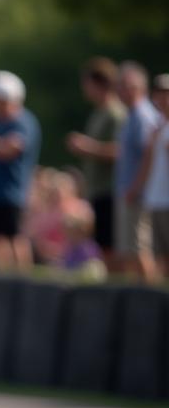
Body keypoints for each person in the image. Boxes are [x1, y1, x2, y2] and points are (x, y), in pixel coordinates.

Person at [0, 70, 41, 271]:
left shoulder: (23, 122)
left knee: (15, 238)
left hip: (13, 191)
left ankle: (22, 279)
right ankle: (5, 277)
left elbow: (10, 149)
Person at [66, 57, 125, 264]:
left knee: (110, 245)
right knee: (102, 244)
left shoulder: (115, 113)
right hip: (98, 190)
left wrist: (87, 147)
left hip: (110, 189)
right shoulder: (99, 113)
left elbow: (119, 150)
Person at [114, 61, 160, 281]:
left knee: (140, 248)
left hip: (138, 194)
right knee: (130, 250)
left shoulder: (142, 115)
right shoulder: (131, 114)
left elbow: (148, 157)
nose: (120, 90)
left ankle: (151, 294)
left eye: (124, 85)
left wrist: (136, 187)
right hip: (131, 191)